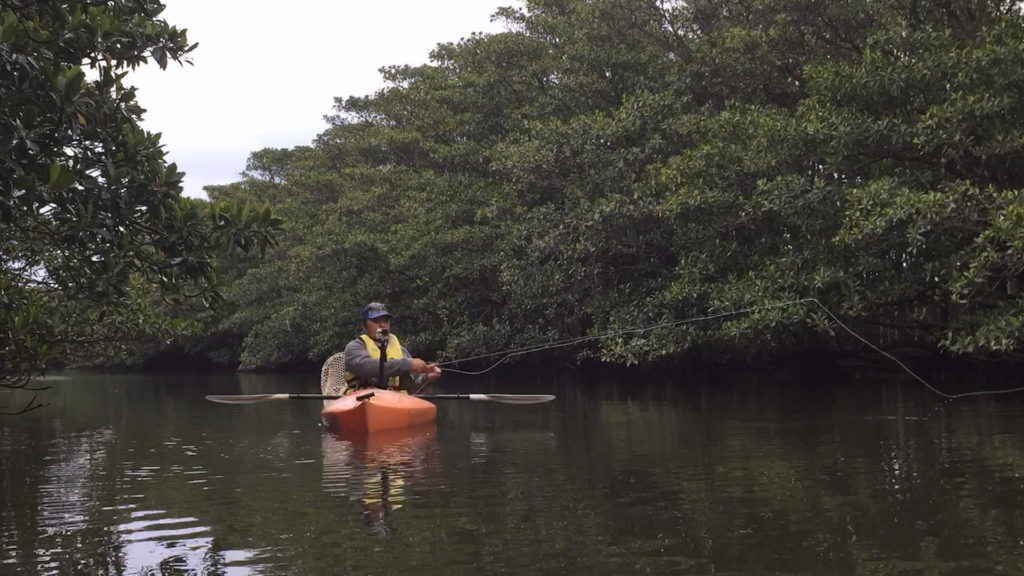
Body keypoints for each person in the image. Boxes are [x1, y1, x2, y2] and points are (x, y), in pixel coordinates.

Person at [342, 302, 441, 391]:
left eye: (385, 321)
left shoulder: (401, 351)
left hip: (394, 402)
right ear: (364, 325)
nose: (382, 325)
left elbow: (412, 388)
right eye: (375, 320)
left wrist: (426, 378)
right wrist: (407, 365)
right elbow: (366, 368)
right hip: (363, 400)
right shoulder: (354, 347)